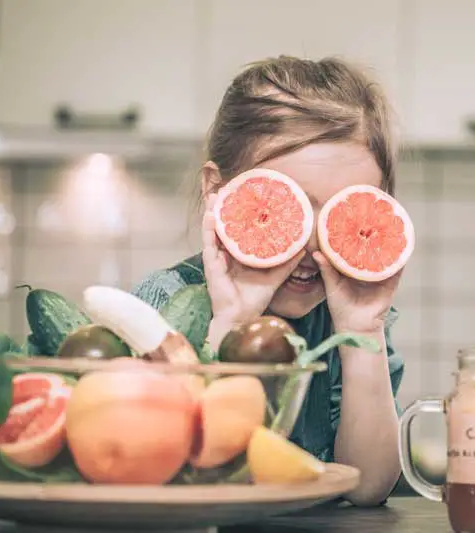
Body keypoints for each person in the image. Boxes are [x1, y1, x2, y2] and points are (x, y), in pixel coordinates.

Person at [132, 55, 405, 506]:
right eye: (288, 206)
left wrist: (362, 332)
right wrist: (232, 321)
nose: (315, 247)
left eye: (341, 212)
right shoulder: (161, 306)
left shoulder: (346, 323)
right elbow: (158, 469)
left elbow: (368, 486)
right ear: (215, 191)